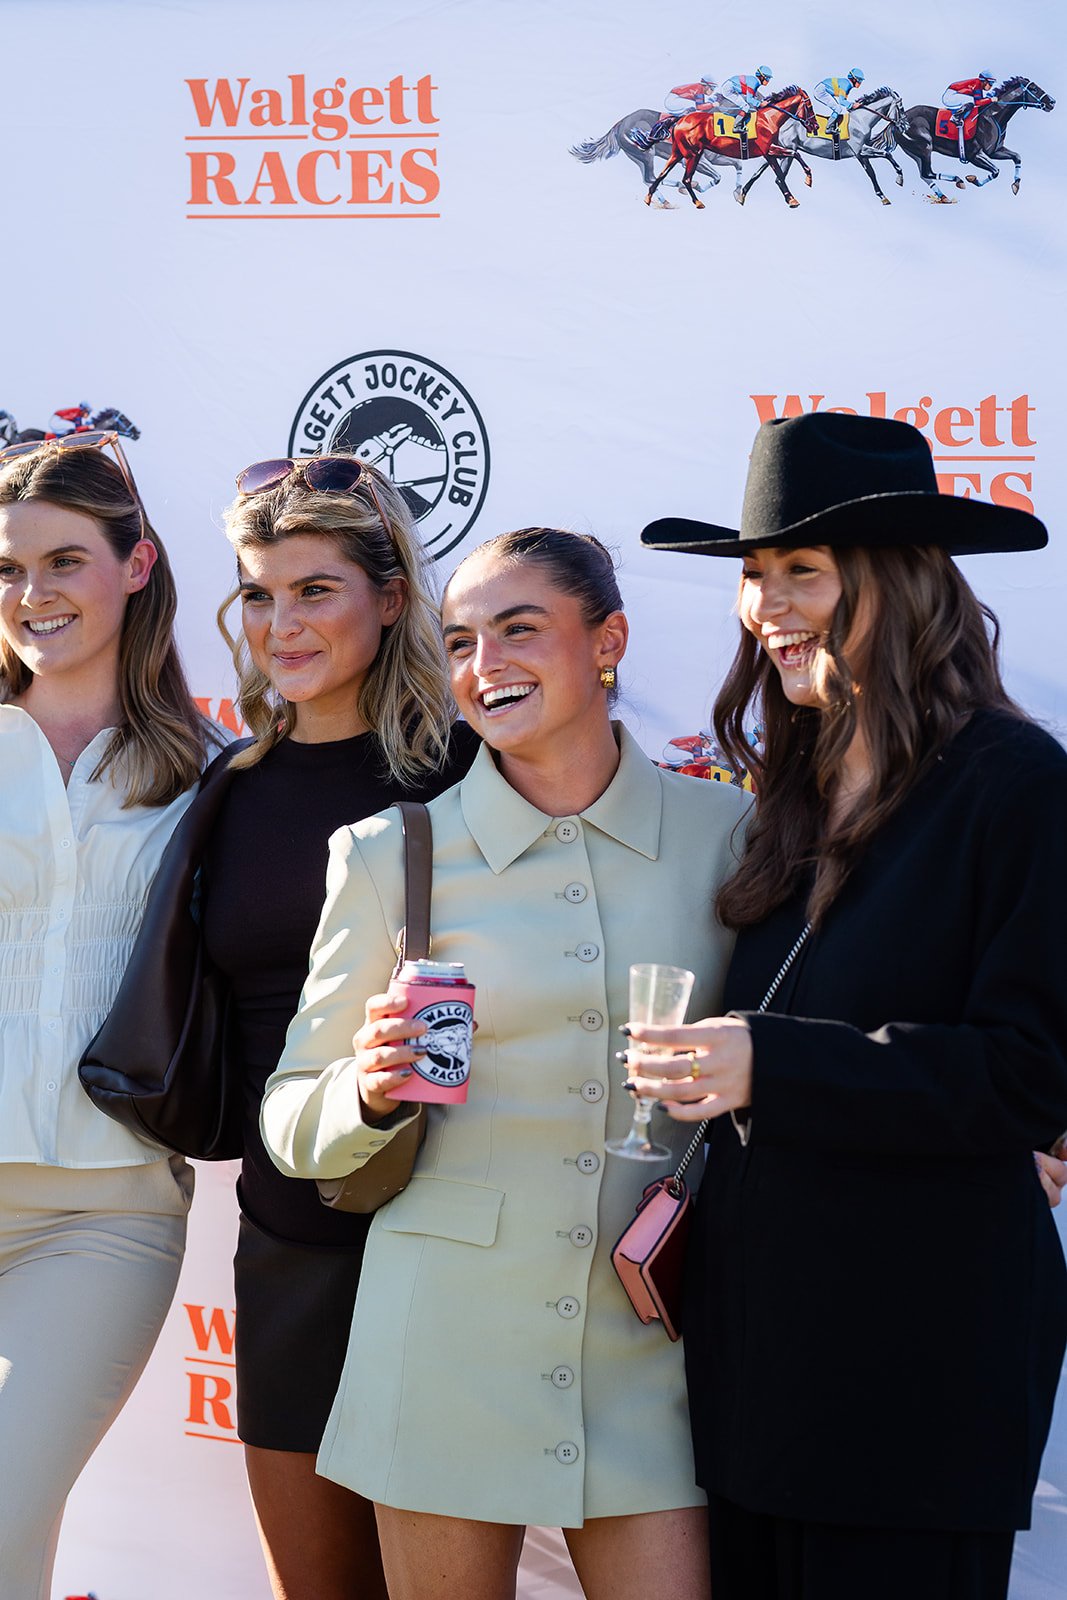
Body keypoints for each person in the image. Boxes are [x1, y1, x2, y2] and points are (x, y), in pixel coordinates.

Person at [261, 526, 749, 1600]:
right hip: (439, 1344)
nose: (485, 667)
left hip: (649, 1341)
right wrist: (368, 1089)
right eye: (462, 641)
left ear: (608, 639)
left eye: (518, 631)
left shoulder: (734, 836)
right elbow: (291, 1114)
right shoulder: (390, 853)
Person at [634, 411, 1067, 1600]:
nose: (764, 602)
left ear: (894, 579)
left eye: (801, 571)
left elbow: (1024, 1075)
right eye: (753, 574)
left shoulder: (1013, 782)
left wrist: (767, 1062)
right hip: (754, 1357)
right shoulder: (789, 787)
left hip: (916, 1365)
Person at [170, 453, 477, 1600]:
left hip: (446, 1238)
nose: (278, 623)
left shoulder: (470, 772)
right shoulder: (228, 786)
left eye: (314, 589)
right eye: (258, 591)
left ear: (390, 597)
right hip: (286, 1236)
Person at [0, 431, 211, 1600]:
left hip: (103, 1213)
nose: (32, 595)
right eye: (9, 569)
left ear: (135, 566)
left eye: (64, 562)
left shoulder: (210, 774)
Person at [813, 68, 865, 140]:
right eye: (859, 80)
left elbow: (844, 101)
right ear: (854, 79)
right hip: (821, 91)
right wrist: (852, 105)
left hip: (823, 89)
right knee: (838, 108)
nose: (860, 83)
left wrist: (851, 106)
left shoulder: (847, 84)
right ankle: (828, 128)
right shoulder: (846, 85)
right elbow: (842, 101)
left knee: (838, 108)